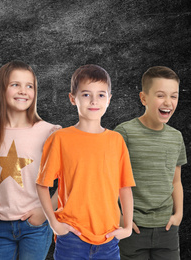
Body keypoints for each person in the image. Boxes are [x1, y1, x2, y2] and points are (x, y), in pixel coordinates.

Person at [36, 64, 136, 260]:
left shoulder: (116, 141)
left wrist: (127, 227)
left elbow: (124, 188)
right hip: (72, 238)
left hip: (109, 239)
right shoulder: (60, 139)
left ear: (109, 99)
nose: (94, 101)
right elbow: (42, 185)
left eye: (101, 95)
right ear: (73, 98)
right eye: (86, 94)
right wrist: (54, 223)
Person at [0, 60, 59, 260]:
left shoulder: (48, 132)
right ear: (1, 90)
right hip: (0, 226)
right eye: (15, 84)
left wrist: (46, 210)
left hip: (35, 226)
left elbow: (70, 178)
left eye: (29, 86)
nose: (23, 91)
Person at [115, 66, 187, 260]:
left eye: (174, 96)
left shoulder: (176, 137)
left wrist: (178, 214)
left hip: (167, 230)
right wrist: (120, 217)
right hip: (133, 230)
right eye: (161, 95)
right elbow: (109, 181)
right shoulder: (124, 133)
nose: (168, 102)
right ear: (143, 98)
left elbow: (176, 181)